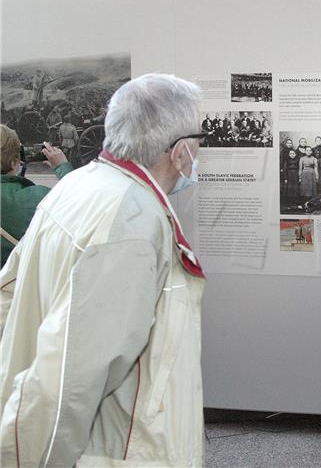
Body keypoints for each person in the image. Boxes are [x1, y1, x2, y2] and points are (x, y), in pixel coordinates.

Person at [0, 74, 208, 467]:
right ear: (180, 150)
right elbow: (66, 382)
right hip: (119, 452)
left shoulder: (79, 184)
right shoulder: (132, 221)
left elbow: (8, 292)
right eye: (200, 139)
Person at [0, 127, 73, 267]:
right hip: (16, 286)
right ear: (14, 163)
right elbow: (82, 210)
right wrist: (63, 167)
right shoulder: (39, 198)